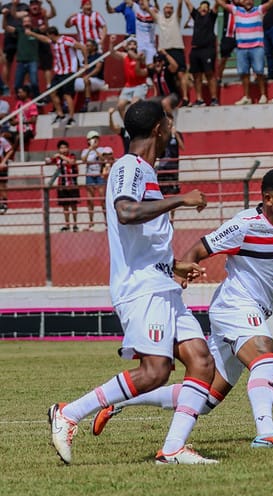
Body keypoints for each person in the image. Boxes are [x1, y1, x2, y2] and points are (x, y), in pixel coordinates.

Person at [91, 168, 273, 449]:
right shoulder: (244, 225)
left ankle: (119, 402)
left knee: (204, 399)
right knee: (267, 360)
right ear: (268, 198)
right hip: (235, 304)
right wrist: (180, 278)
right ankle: (266, 432)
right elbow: (199, 248)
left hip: (254, 309)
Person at [48, 99, 217, 466]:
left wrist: (173, 266)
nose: (173, 127)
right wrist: (181, 200)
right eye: (169, 121)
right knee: (155, 371)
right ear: (159, 128)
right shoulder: (130, 166)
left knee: (202, 363)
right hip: (140, 290)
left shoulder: (147, 172)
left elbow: (140, 239)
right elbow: (125, 212)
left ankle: (172, 448)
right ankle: (69, 413)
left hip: (160, 285)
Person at [216, 0, 273, 105]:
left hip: (257, 47)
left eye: (250, 0)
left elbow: (271, 3)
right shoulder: (236, 10)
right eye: (245, 0)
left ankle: (263, 95)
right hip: (241, 48)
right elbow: (222, 4)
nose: (248, 2)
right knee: (244, 73)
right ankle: (246, 97)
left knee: (259, 71)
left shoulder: (259, 10)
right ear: (241, 2)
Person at [29, 27, 87, 127]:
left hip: (69, 71)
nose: (48, 37)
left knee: (67, 95)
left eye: (48, 35)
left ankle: (71, 117)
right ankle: (60, 114)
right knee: (52, 91)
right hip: (59, 72)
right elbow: (43, 38)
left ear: (52, 34)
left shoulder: (67, 40)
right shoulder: (52, 42)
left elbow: (83, 47)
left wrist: (85, 63)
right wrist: (31, 33)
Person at [144, 0, 189, 105]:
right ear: (163, 10)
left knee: (181, 74)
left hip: (177, 48)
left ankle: (185, 98)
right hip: (164, 50)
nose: (168, 10)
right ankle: (162, 95)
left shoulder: (176, 18)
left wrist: (180, 3)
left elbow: (179, 9)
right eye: (166, 8)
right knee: (162, 73)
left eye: (170, 8)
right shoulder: (159, 18)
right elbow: (146, 8)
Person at [184, 0, 219, 106]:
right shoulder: (196, 16)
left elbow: (217, 4)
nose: (203, 9)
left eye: (206, 7)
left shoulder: (211, 17)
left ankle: (214, 99)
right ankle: (199, 99)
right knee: (196, 76)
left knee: (209, 74)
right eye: (202, 7)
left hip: (208, 49)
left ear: (208, 9)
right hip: (195, 50)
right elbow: (188, 4)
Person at [4, 13, 40, 97]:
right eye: (25, 21)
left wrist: (32, 34)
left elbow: (45, 31)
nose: (26, 23)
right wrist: (5, 16)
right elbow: (5, 27)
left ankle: (37, 98)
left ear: (31, 23)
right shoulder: (19, 31)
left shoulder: (36, 31)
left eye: (28, 21)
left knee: (34, 82)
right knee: (17, 84)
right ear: (22, 23)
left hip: (33, 61)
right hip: (21, 62)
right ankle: (20, 101)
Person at [47, 140, 80, 232]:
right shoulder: (57, 159)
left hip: (72, 184)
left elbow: (71, 162)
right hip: (62, 184)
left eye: (65, 147)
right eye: (61, 148)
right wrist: (49, 159)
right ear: (58, 149)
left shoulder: (71, 155)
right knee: (65, 206)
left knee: (73, 205)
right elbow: (48, 161)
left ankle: (75, 224)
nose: (64, 149)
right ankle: (67, 224)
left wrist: (61, 156)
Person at [110, 36, 148, 116]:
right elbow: (112, 52)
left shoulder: (141, 55)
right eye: (130, 44)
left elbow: (136, 57)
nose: (132, 46)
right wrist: (111, 43)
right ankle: (127, 125)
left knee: (133, 105)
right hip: (128, 86)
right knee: (120, 106)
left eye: (134, 44)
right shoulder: (125, 56)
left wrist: (127, 48)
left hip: (140, 85)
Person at [156, 120, 184, 222]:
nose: (169, 125)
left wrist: (175, 135)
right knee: (161, 194)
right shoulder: (161, 135)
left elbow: (183, 147)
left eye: (170, 123)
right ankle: (163, 216)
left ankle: (172, 218)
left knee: (173, 194)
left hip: (173, 168)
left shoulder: (177, 134)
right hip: (163, 168)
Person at [81, 130, 106, 229]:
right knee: (90, 200)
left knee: (102, 199)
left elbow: (103, 159)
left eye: (96, 138)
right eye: (92, 139)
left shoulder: (101, 149)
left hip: (99, 175)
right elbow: (83, 160)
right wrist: (90, 149)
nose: (95, 140)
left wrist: (95, 150)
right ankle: (91, 221)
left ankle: (106, 221)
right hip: (90, 175)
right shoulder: (85, 150)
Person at [74, 39, 108, 112]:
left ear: (94, 47)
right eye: (86, 46)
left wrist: (88, 76)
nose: (86, 47)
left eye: (88, 46)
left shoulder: (99, 56)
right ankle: (66, 105)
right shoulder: (86, 58)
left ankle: (87, 104)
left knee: (86, 80)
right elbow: (81, 70)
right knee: (71, 83)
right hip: (89, 81)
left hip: (99, 80)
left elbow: (97, 70)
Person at [131, 0, 158, 65]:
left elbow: (157, 21)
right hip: (140, 46)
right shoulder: (136, 8)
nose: (142, 2)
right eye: (140, 0)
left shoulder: (153, 11)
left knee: (150, 67)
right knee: (140, 65)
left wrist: (148, 9)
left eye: (144, 0)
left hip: (150, 46)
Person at [0, 131, 13, 214]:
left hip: (1, 163)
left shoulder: (1, 140)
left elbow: (10, 150)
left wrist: (3, 162)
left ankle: (4, 204)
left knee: (2, 184)